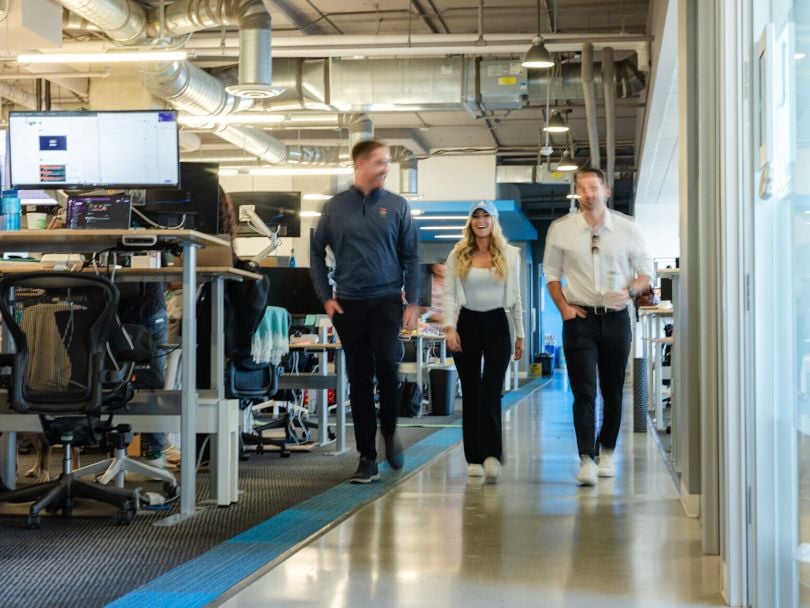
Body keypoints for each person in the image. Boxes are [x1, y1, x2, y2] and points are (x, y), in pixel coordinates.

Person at [309, 139, 421, 483]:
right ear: (358, 165)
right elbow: (315, 253)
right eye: (378, 162)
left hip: (386, 300)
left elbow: (412, 257)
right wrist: (325, 297)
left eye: (387, 162)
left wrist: (413, 301)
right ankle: (366, 458)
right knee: (359, 378)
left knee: (388, 367)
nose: (385, 167)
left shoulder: (398, 207)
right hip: (349, 303)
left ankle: (388, 431)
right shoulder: (334, 207)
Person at [543, 167, 652, 486]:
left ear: (606, 190)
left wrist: (629, 292)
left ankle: (607, 452)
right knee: (584, 392)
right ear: (577, 192)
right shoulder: (561, 229)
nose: (588, 194)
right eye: (582, 188)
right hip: (579, 320)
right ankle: (586, 458)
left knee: (613, 390)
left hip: (617, 318)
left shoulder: (627, 228)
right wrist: (563, 307)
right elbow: (550, 272)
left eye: (594, 187)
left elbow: (646, 273)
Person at [442, 201, 524, 483]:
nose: (480, 220)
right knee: (472, 393)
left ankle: (491, 454)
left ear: (494, 221)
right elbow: (449, 294)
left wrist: (520, 334)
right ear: (470, 222)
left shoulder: (510, 255)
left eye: (485, 215)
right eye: (475, 216)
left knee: (490, 391)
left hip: (497, 325)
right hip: (468, 324)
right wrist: (449, 328)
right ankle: (473, 458)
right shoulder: (458, 254)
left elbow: (516, 299)